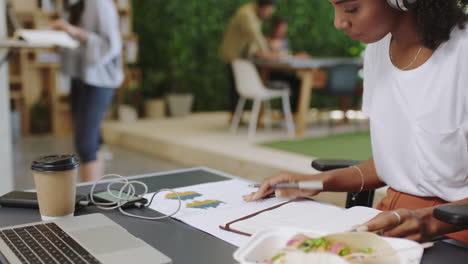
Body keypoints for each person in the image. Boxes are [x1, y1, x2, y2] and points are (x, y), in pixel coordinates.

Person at [245, 0, 468, 243]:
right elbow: (399, 164)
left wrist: (430, 221)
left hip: (454, 231)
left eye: (351, 8)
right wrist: (317, 181)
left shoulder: (462, 54)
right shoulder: (378, 49)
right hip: (391, 221)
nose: (338, 22)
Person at [50, 0, 124, 182]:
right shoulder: (72, 4)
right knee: (91, 142)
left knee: (86, 144)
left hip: (100, 79)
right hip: (79, 75)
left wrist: (73, 31)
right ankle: (96, 193)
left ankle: (90, 200)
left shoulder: (100, 4)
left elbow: (111, 45)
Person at [220, 0, 278, 117]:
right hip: (234, 54)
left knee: (237, 89)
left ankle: (237, 117)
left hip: (241, 56)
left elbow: (252, 38)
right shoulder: (246, 14)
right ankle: (235, 117)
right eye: (268, 12)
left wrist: (262, 51)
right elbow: (255, 35)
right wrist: (268, 51)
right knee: (236, 88)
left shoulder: (253, 13)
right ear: (263, 7)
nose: (268, 15)